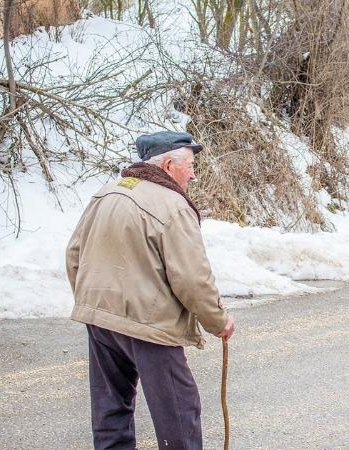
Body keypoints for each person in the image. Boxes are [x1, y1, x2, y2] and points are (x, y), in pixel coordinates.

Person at [66, 131, 235, 450]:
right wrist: (218, 321)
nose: (194, 174)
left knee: (111, 410)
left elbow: (75, 254)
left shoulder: (107, 192)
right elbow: (191, 277)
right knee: (178, 412)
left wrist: (93, 302)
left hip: (101, 320)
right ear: (169, 165)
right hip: (149, 325)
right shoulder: (172, 205)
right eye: (191, 165)